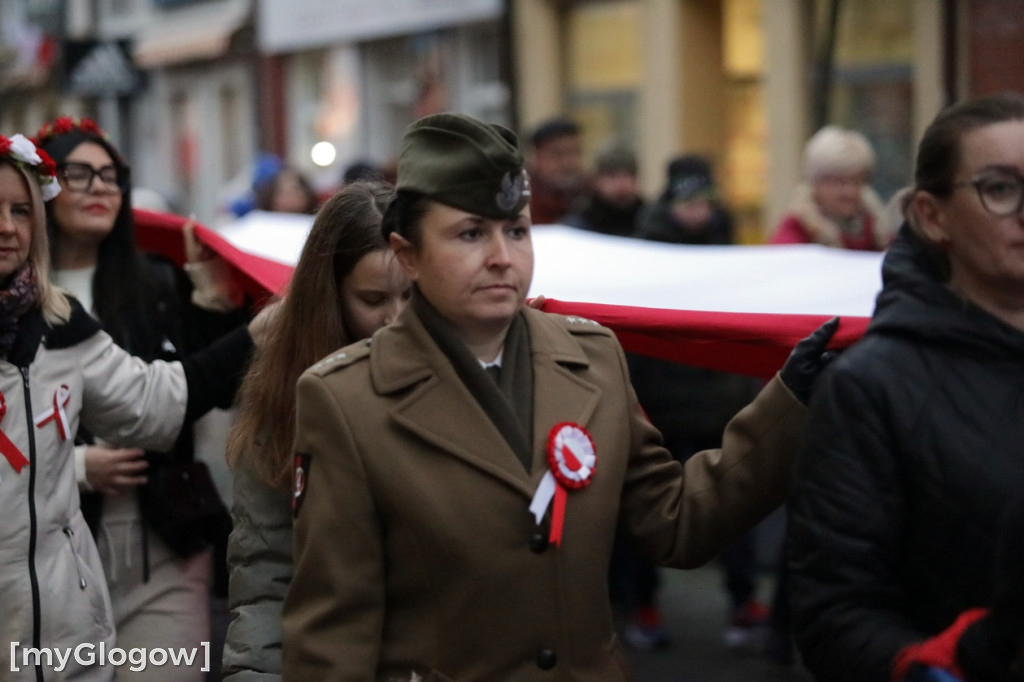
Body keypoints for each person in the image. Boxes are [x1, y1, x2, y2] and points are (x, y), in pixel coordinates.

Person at [280, 111, 839, 680]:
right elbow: (333, 641)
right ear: (407, 255)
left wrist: (788, 403)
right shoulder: (347, 400)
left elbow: (673, 521)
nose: (502, 256)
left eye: (516, 231)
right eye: (471, 233)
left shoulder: (591, 360)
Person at [787, 92, 1024, 682]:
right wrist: (951, 663)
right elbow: (835, 617)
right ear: (932, 215)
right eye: (1001, 188)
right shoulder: (871, 388)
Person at [0, 133, 253, 680]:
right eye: (79, 174)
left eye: (111, 176)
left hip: (158, 541)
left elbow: (173, 394)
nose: (100, 189)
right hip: (51, 565)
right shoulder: (35, 308)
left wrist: (232, 314)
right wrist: (76, 466)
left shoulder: (147, 285)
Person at [221, 181, 409, 680]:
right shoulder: (286, 400)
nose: (396, 319)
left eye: (412, 295)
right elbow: (266, 574)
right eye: (373, 299)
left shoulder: (468, 382)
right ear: (330, 297)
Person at [625, 152, 766, 651]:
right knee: (648, 508)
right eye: (687, 200)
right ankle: (644, 605)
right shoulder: (646, 250)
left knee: (732, 506)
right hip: (662, 404)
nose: (697, 210)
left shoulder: (727, 247)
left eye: (704, 199)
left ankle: (743, 601)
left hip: (717, 402)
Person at [769, 125, 892, 250]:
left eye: (856, 182)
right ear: (816, 183)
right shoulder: (795, 231)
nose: (849, 192)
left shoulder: (878, 230)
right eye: (839, 182)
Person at [636, 154, 734, 244]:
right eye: (689, 203)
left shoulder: (721, 231)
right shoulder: (651, 236)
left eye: (702, 203)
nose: (697, 212)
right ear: (671, 206)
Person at [561, 146, 645, 237]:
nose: (621, 184)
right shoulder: (578, 225)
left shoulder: (649, 221)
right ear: (596, 180)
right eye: (612, 176)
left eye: (628, 175)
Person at [526, 117, 589, 225]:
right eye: (557, 154)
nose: (568, 163)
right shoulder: (519, 203)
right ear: (535, 158)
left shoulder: (592, 196)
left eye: (575, 152)